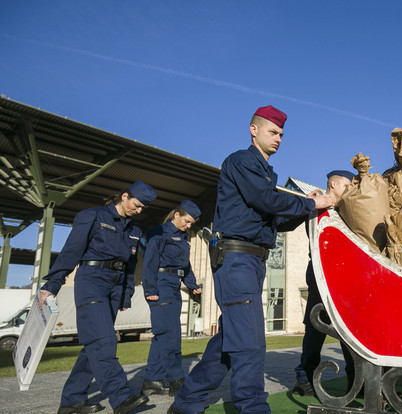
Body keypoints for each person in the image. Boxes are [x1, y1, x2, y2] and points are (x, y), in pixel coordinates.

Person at [168, 105, 336, 414]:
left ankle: (187, 402)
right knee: (250, 344)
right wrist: (310, 201)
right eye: (273, 132)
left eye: (282, 135)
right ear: (253, 130)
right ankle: (253, 407)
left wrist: (309, 209)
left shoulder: (263, 172)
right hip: (237, 258)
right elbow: (267, 200)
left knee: (229, 343)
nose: (279, 139)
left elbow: (275, 220)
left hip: (251, 262)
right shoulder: (242, 161)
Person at [38, 180, 156, 414]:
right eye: (137, 204)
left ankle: (72, 400)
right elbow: (72, 251)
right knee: (104, 340)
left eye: (143, 208)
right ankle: (121, 396)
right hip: (92, 279)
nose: (139, 211)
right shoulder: (92, 216)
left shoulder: (133, 230)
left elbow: (130, 266)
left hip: (115, 286)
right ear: (124, 196)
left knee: (94, 344)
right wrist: (52, 284)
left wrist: (126, 295)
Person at [293, 170, 356, 397]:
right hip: (321, 275)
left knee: (348, 331)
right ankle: (305, 377)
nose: (350, 190)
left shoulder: (349, 212)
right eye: (346, 185)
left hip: (343, 277)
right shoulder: (317, 208)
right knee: (314, 329)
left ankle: (355, 380)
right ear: (333, 184)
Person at [141, 200, 203, 397]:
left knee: (162, 336)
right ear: (176, 215)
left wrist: (192, 285)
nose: (189, 225)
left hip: (175, 285)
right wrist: (150, 288)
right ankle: (176, 379)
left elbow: (186, 266)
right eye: (187, 221)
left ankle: (152, 380)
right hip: (160, 284)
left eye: (192, 223)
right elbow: (149, 261)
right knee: (171, 335)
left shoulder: (183, 237)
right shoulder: (159, 232)